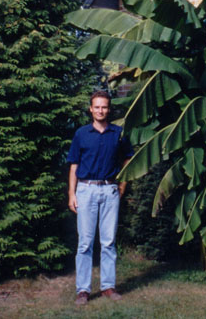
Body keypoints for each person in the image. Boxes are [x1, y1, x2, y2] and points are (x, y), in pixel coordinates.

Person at [67, 90, 134, 306]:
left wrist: (122, 185)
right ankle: (83, 290)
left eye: (104, 107)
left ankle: (108, 286)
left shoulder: (118, 133)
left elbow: (127, 160)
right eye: (96, 107)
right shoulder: (81, 134)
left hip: (109, 191)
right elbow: (74, 165)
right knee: (85, 243)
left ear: (109, 108)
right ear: (90, 109)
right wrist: (71, 193)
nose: (100, 110)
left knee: (108, 242)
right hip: (85, 190)